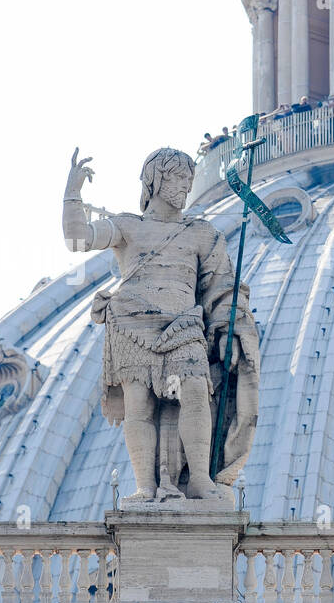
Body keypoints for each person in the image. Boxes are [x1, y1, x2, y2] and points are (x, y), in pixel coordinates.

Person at [63, 147, 261, 501]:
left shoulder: (202, 233)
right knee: (139, 405)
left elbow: (222, 287)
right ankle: (146, 486)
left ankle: (200, 478)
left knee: (196, 394)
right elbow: (77, 239)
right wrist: (73, 193)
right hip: (132, 325)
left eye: (189, 178)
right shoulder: (128, 226)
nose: (186, 186)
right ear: (155, 180)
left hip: (184, 326)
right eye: (178, 177)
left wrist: (227, 328)